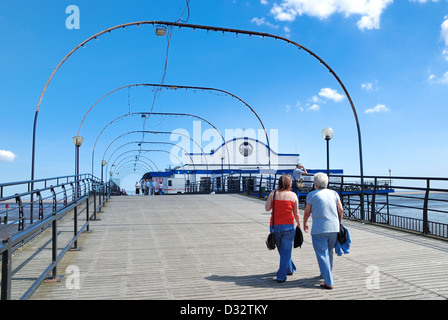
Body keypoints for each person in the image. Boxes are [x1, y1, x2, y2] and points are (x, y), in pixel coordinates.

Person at [303, 172, 344, 290]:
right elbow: (340, 210)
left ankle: (328, 281)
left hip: (319, 228)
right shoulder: (334, 193)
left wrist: (304, 223)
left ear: (315, 184)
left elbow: (307, 212)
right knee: (329, 252)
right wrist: (339, 223)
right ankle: (326, 273)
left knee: (322, 254)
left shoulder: (311, 195)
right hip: (334, 227)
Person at [265, 174, 301, 283]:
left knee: (283, 251)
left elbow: (267, 208)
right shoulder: (293, 195)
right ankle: (282, 275)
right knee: (285, 251)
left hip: (275, 227)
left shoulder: (273, 193)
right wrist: (299, 224)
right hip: (289, 227)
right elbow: (296, 213)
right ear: (290, 184)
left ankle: (289, 269)